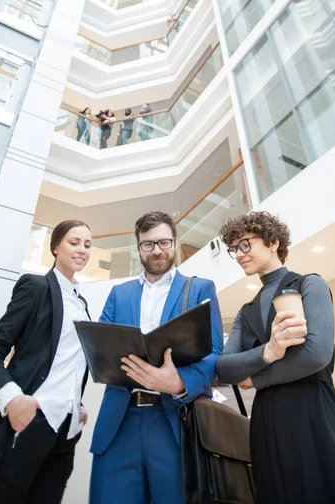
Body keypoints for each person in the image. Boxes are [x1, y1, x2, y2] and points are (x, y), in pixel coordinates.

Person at [89, 211, 223, 504]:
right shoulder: (118, 293)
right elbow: (99, 350)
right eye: (148, 244)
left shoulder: (200, 288)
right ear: (138, 247)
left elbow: (215, 354)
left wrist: (178, 382)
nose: (157, 250)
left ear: (175, 242)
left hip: (174, 421)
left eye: (163, 242)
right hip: (119, 421)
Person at [217, 211, 335, 504]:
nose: (238, 255)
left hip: (313, 409)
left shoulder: (309, 284)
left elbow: (316, 354)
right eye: (233, 249)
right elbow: (224, 368)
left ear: (273, 242)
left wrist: (256, 377)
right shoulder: (245, 311)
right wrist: (268, 351)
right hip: (265, 420)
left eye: (245, 244)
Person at [0, 220, 93, 504]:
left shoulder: (83, 306)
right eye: (74, 242)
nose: (82, 249)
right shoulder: (37, 286)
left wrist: (76, 405)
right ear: (55, 247)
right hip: (26, 421)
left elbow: (68, 366)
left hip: (64, 434)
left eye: (87, 245)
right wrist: (12, 400)